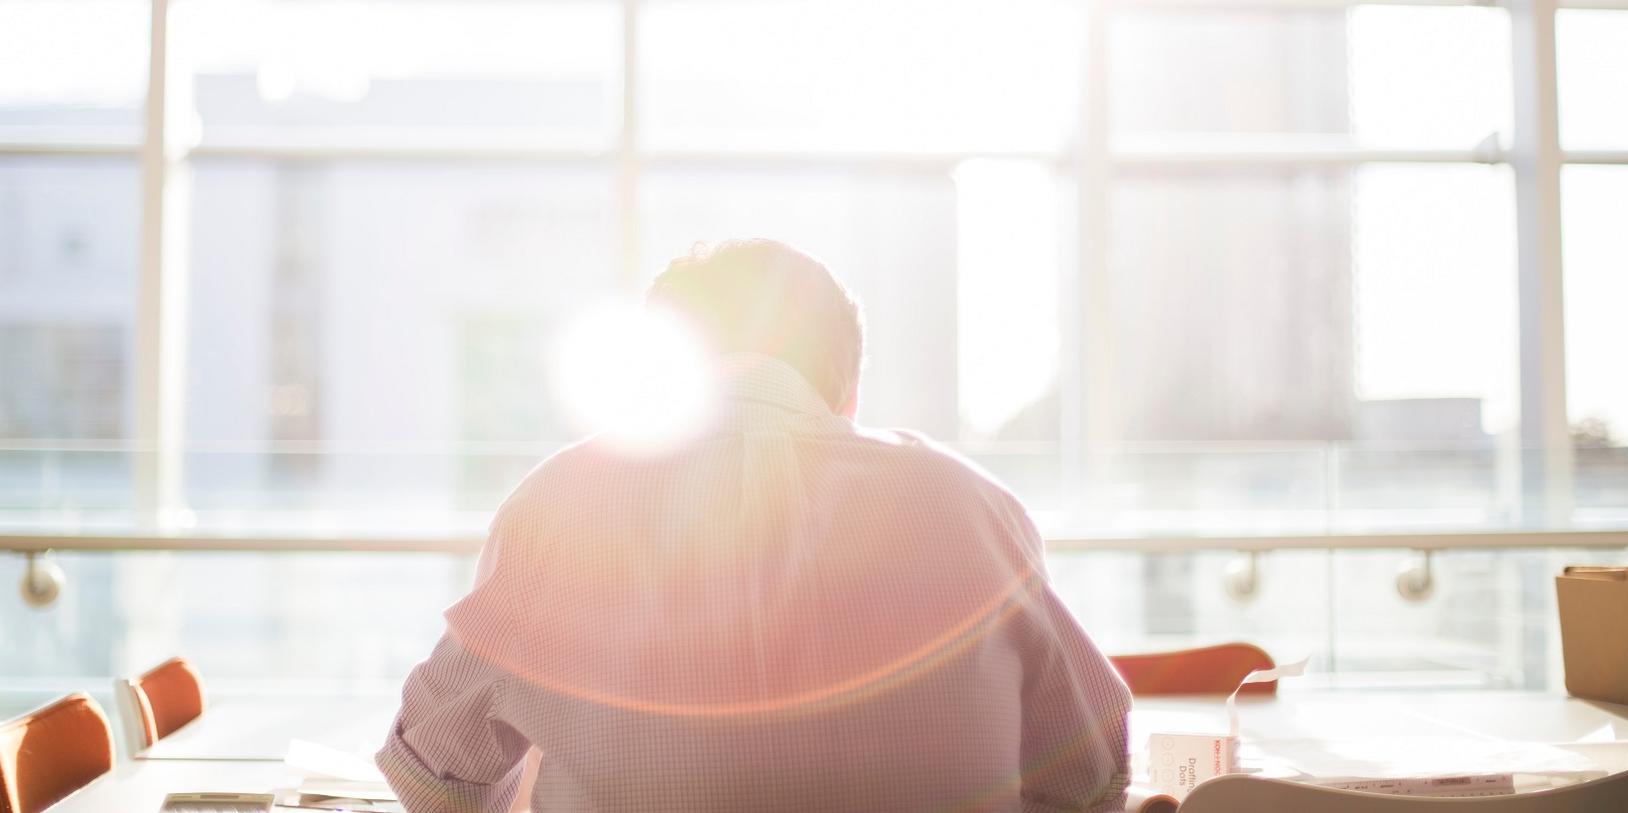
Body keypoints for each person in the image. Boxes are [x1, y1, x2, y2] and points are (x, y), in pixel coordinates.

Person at [377, 239, 1131, 812]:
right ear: (848, 390)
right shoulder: (970, 505)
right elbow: (1090, 773)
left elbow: (434, 774)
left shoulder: (564, 503)